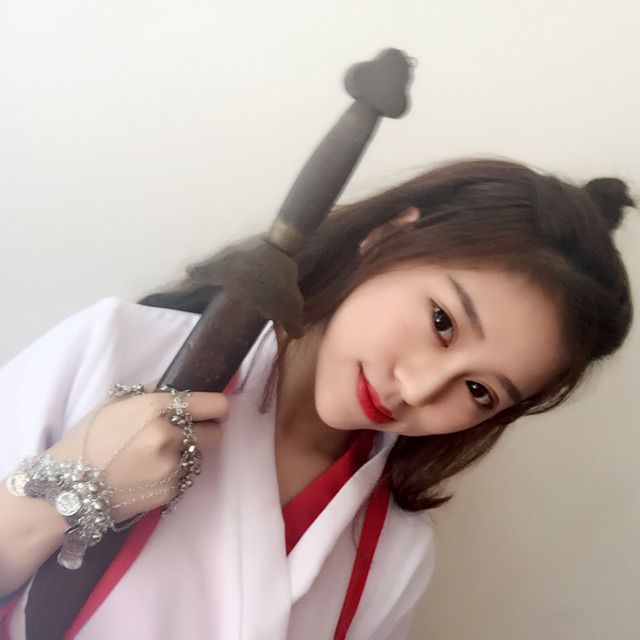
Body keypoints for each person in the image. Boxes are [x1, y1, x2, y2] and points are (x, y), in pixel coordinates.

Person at [0, 158, 634, 639]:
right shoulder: (120, 349)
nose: (416, 389)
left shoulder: (393, 553)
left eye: (479, 390)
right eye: (442, 322)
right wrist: (69, 492)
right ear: (386, 236)